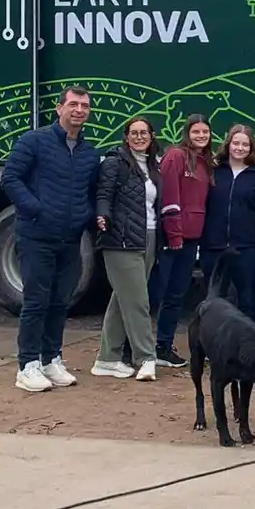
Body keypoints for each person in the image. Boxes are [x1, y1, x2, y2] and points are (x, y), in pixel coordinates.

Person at [0, 86, 101, 392]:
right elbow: (10, 178)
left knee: (61, 301)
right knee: (36, 301)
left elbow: (92, 191)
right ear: (59, 109)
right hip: (36, 236)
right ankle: (27, 365)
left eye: (84, 105)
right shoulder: (34, 141)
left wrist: (87, 215)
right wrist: (35, 208)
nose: (79, 110)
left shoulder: (89, 153)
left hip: (70, 239)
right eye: (73, 104)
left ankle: (51, 359)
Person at [91, 115, 163, 381]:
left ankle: (107, 359)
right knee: (138, 302)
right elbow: (103, 195)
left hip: (150, 237)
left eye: (144, 133)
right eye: (134, 133)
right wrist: (103, 217)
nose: (139, 137)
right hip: (120, 239)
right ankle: (146, 357)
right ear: (126, 136)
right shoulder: (114, 163)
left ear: (152, 136)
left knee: (124, 299)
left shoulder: (153, 166)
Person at [153, 115, 212, 368]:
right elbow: (169, 197)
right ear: (187, 133)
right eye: (196, 131)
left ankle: (163, 347)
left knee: (176, 295)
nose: (201, 136)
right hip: (170, 240)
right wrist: (174, 235)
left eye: (205, 132)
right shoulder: (176, 156)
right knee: (153, 295)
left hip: (190, 241)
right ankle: (130, 348)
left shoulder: (204, 163)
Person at [199, 124, 255, 321]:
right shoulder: (213, 170)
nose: (240, 148)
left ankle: (249, 345)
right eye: (236, 143)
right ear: (228, 144)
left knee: (248, 299)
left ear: (251, 148)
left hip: (245, 247)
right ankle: (213, 345)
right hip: (213, 246)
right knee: (213, 301)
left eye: (245, 144)